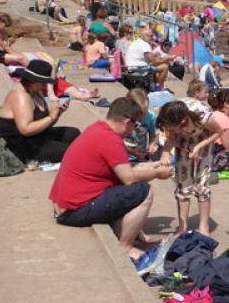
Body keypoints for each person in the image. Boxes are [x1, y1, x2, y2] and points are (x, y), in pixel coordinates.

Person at [48, 98, 173, 263]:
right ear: (127, 122)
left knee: (132, 186)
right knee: (143, 191)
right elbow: (128, 177)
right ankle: (126, 247)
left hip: (66, 206)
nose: (133, 131)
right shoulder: (111, 140)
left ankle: (124, 232)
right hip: (75, 210)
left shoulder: (99, 129)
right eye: (134, 126)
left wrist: (153, 166)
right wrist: (156, 174)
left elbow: (127, 170)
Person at [158, 101, 222, 237]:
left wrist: (199, 146)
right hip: (182, 143)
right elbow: (170, 138)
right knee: (183, 185)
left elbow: (218, 132)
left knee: (202, 184)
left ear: (182, 122)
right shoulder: (170, 118)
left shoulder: (201, 116)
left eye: (171, 126)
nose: (168, 127)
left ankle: (203, 225)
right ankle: (183, 226)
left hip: (204, 142)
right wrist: (165, 152)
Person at [0, 60, 79, 163]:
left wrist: (57, 113)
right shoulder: (20, 97)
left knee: (73, 133)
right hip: (18, 144)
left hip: (36, 136)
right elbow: (26, 130)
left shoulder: (35, 91)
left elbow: (44, 124)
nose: (45, 86)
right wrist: (51, 117)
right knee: (70, 151)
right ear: (32, 80)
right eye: (43, 82)